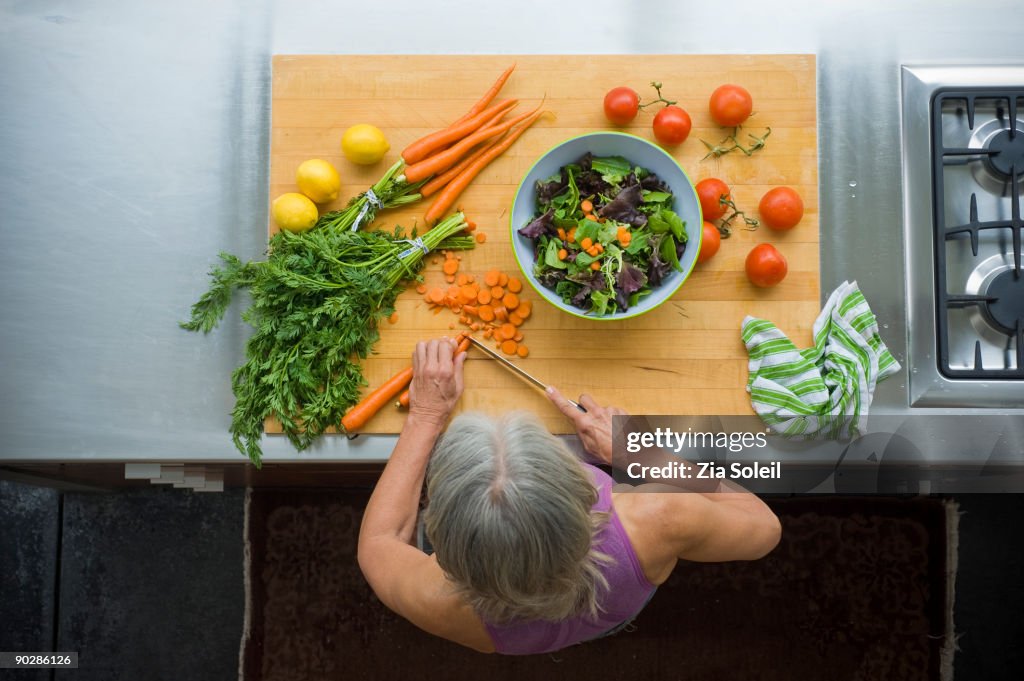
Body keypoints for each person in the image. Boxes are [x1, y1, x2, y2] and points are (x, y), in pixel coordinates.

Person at [357, 338, 782, 655]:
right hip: (613, 605)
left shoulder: (435, 599)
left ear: (440, 529)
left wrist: (426, 416)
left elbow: (379, 541)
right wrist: (636, 453)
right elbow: (763, 526)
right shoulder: (660, 516)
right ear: (578, 489)